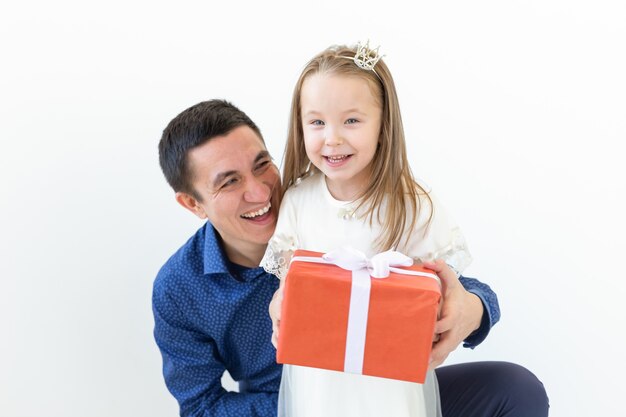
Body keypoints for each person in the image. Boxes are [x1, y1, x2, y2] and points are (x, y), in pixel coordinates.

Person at [153, 99, 549, 417]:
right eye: (230, 182)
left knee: (514, 389)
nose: (260, 193)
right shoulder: (180, 288)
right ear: (193, 204)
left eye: (262, 166)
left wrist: (473, 308)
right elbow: (202, 406)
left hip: (385, 397)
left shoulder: (319, 203)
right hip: (285, 407)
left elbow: (433, 272)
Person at [260, 43, 548, 417]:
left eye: (351, 121)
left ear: (384, 125)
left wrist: (452, 311)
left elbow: (444, 292)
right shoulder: (299, 200)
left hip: (388, 381)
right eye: (317, 122)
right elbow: (289, 284)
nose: (331, 138)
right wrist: (280, 307)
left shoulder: (413, 204)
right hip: (320, 379)